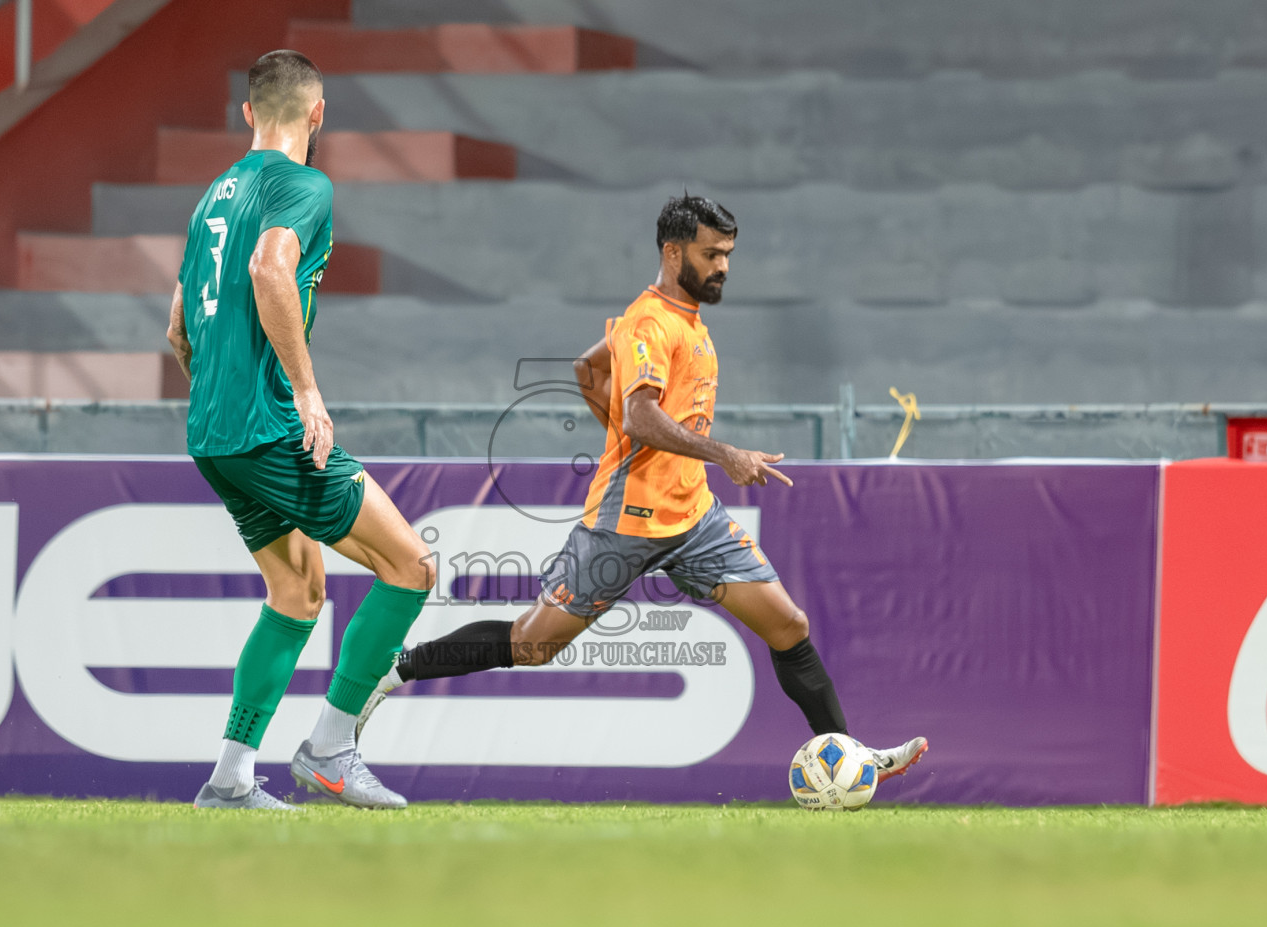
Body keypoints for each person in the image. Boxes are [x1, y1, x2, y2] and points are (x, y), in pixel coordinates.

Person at [358, 195, 926, 781]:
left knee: (789, 626)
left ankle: (849, 757)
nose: (723, 266)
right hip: (626, 520)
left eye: (728, 254)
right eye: (711, 254)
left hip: (694, 518)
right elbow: (639, 416)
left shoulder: (680, 320)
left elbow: (587, 369)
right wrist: (724, 454)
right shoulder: (651, 322)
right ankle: (395, 670)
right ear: (673, 252)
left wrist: (636, 437)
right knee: (532, 645)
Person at [166, 49, 435, 811]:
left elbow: (178, 326)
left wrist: (220, 394)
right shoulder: (305, 185)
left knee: (296, 591)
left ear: (248, 113)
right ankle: (330, 751)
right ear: (318, 114)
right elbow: (269, 269)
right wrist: (307, 393)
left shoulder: (213, 197)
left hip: (211, 432)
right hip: (267, 426)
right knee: (411, 566)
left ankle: (229, 779)